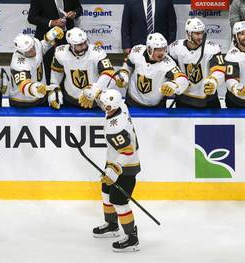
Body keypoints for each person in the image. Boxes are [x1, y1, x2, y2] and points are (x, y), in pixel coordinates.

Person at [93, 89, 140, 253]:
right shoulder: (121, 105)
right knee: (106, 192)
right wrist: (96, 92)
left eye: (103, 104)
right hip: (113, 161)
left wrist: (114, 170)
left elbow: (128, 151)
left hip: (125, 168)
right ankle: (112, 225)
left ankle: (132, 238)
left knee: (119, 202)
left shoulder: (116, 128)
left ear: (109, 107)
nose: (100, 105)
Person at [50, 27, 125, 109]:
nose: (84, 46)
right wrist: (54, 88)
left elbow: (109, 73)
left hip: (95, 100)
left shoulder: (97, 52)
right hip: (70, 98)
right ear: (71, 45)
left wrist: (96, 89)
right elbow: (57, 71)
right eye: (79, 45)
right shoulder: (60, 52)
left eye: (85, 42)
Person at [168, 18, 226, 108]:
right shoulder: (175, 48)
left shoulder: (212, 48)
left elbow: (219, 69)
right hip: (184, 98)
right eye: (197, 33)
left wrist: (214, 81)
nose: (200, 36)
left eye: (202, 32)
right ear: (188, 34)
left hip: (208, 97)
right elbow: (169, 69)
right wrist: (173, 84)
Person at [120, 32, 189, 107]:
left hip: (156, 107)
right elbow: (128, 65)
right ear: (149, 49)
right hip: (132, 101)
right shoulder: (137, 51)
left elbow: (182, 78)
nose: (162, 53)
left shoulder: (168, 63)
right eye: (159, 50)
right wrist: (124, 74)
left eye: (164, 49)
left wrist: (174, 85)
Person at [28, 0, 83, 84]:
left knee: (67, 66)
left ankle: (64, 93)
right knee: (47, 67)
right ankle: (48, 92)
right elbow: (31, 18)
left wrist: (74, 13)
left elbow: (79, 9)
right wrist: (51, 22)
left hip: (68, 38)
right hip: (47, 38)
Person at [9, 26, 64, 108]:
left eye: (33, 48)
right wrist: (34, 89)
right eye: (29, 52)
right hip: (22, 101)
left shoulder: (34, 43)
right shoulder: (18, 64)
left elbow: (43, 46)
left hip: (41, 96)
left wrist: (52, 34)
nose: (33, 52)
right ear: (21, 52)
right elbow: (24, 86)